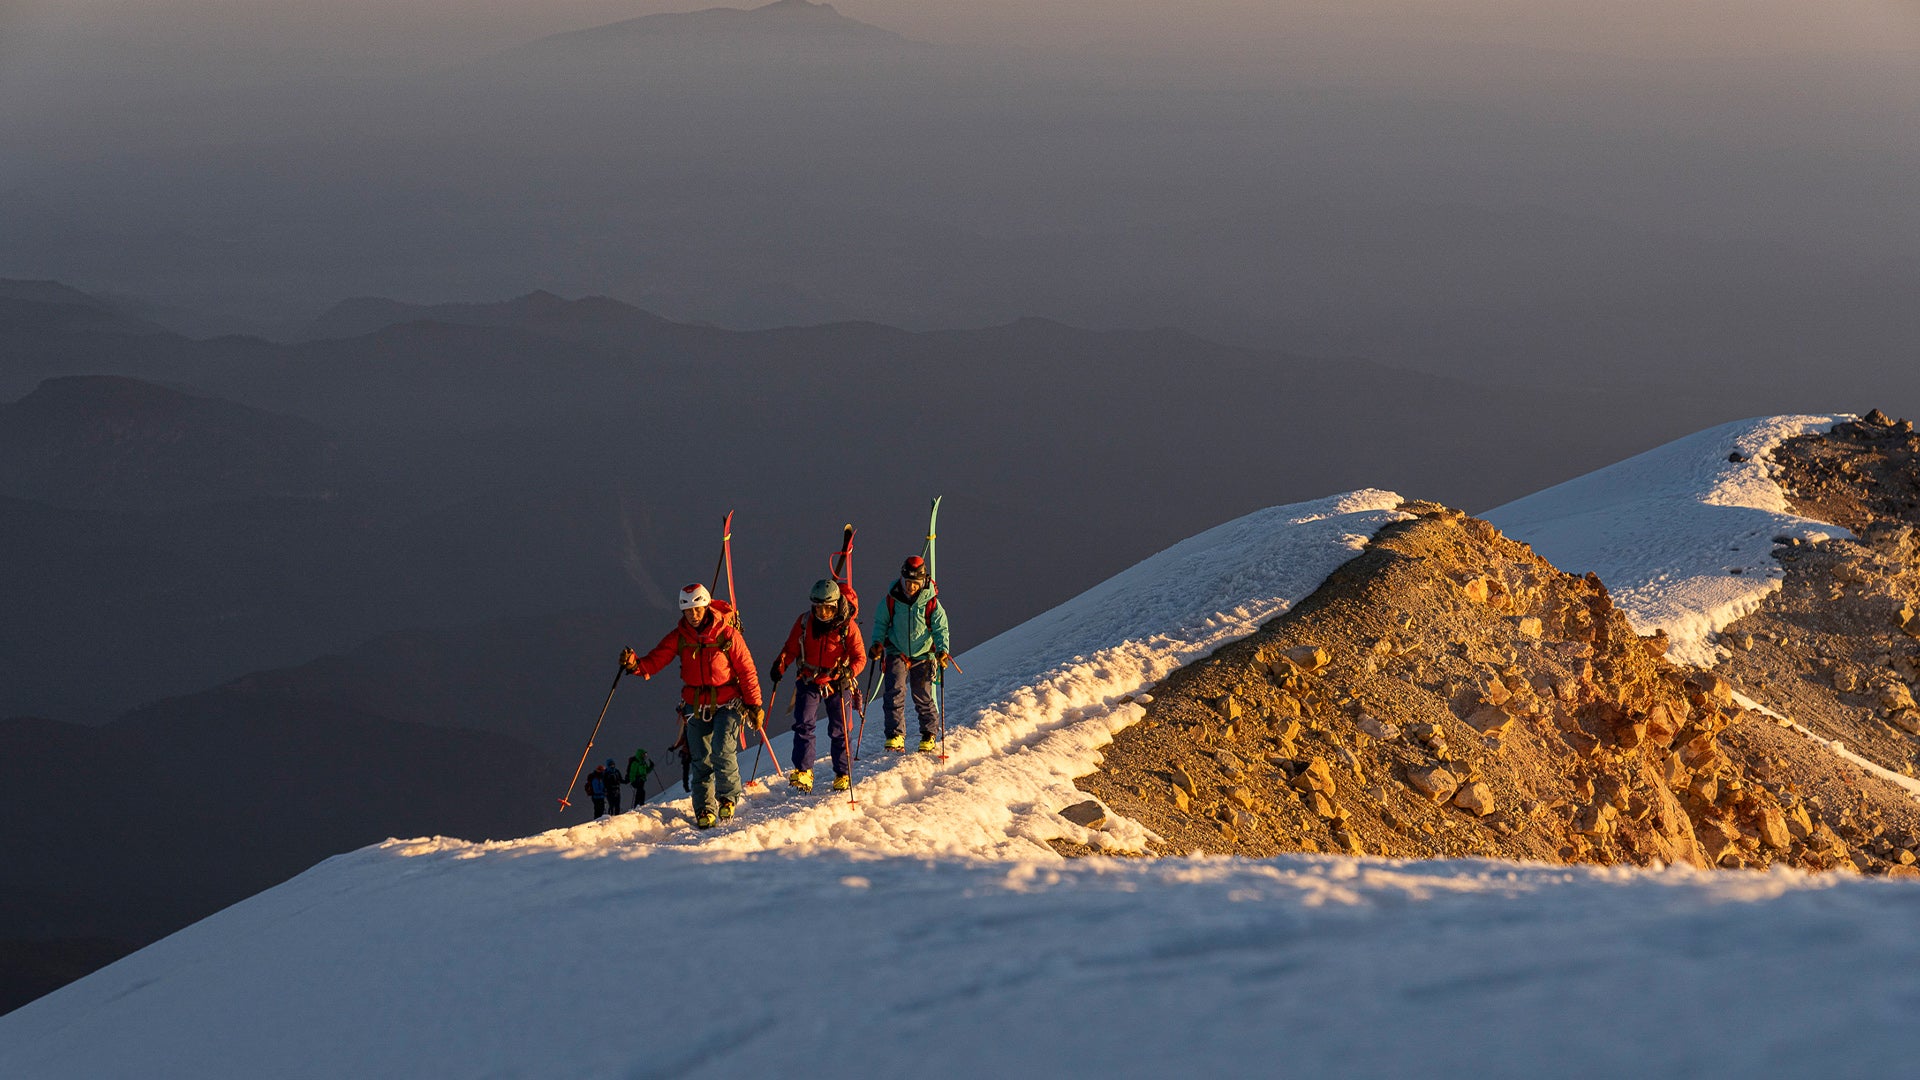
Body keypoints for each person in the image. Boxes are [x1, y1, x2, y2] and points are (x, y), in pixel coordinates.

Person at [621, 583, 765, 829]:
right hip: (696, 705)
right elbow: (656, 660)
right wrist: (635, 665)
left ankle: (727, 799)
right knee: (701, 759)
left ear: (706, 606)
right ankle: (704, 810)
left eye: (697, 609)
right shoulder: (680, 637)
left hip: (728, 702)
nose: (693, 615)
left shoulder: (727, 635)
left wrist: (754, 705)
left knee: (722, 751)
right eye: (688, 611)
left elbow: (747, 669)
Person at [768, 579, 866, 792]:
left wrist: (848, 672)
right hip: (809, 678)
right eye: (819, 608)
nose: (822, 613)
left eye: (827, 609)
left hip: (837, 682)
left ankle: (843, 773)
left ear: (836, 605)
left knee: (839, 729)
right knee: (803, 723)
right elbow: (791, 648)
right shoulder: (805, 622)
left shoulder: (848, 627)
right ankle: (803, 771)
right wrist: (780, 665)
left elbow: (860, 656)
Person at [870, 555, 951, 753]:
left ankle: (929, 734)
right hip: (897, 651)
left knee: (922, 694)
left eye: (915, 583)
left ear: (922, 581)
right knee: (894, 692)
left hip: (924, 654)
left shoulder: (931, 602)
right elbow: (881, 622)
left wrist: (942, 651)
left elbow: (941, 629)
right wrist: (877, 643)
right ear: (902, 579)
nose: (911, 587)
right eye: (908, 582)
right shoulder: (892, 598)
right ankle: (895, 735)